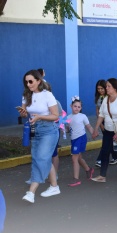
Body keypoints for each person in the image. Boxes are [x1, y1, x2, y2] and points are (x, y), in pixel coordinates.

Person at [18, 70, 60, 203]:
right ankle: (54, 187)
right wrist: (23, 113)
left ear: (38, 81)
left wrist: (40, 116)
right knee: (40, 158)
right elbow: (25, 113)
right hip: (34, 130)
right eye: (26, 81)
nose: (28, 84)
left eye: (31, 81)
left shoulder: (47, 95)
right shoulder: (26, 95)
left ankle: (31, 192)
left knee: (41, 158)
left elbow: (55, 116)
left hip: (48, 130)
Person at [91, 78, 117, 182]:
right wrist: (96, 129)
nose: (106, 88)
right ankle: (102, 176)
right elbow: (101, 115)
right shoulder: (105, 99)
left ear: (115, 88)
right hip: (108, 130)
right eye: (106, 86)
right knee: (105, 151)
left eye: (108, 86)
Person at [66, 97, 95, 186]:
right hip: (73, 139)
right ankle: (88, 169)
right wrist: (63, 129)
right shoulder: (68, 117)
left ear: (81, 108)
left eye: (79, 107)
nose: (77, 108)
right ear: (71, 106)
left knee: (74, 158)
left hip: (81, 138)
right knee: (78, 158)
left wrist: (93, 133)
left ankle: (76, 179)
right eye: (75, 106)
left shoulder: (83, 116)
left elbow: (89, 126)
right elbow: (68, 129)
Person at [94, 80, 117, 167]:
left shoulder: (109, 97)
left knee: (107, 141)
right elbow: (98, 111)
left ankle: (100, 159)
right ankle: (116, 156)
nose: (100, 90)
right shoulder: (99, 98)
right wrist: (100, 124)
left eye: (102, 88)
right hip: (103, 121)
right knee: (109, 140)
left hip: (110, 121)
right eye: (98, 89)